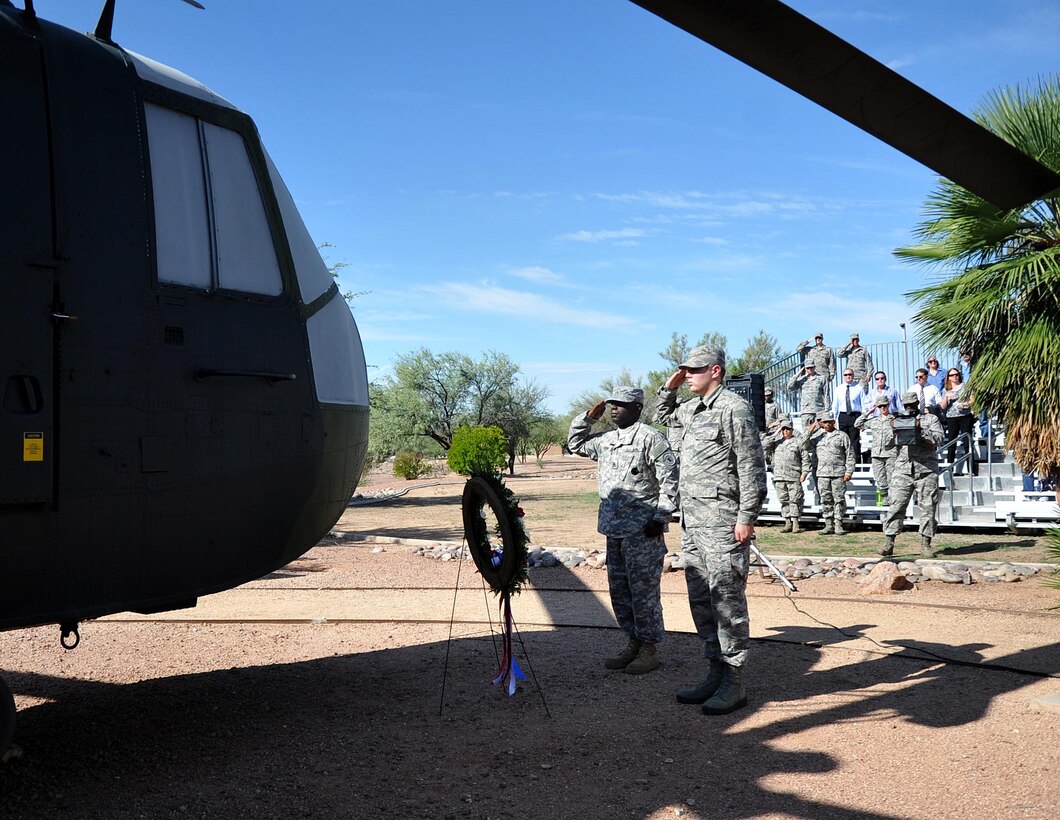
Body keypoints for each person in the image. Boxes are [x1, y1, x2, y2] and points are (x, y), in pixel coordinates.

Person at [655, 346, 766, 715]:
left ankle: (735, 682)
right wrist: (669, 388)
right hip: (693, 523)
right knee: (701, 600)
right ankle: (714, 671)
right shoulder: (688, 410)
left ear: (715, 371)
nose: (687, 374)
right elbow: (662, 418)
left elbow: (750, 466)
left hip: (723, 522)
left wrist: (746, 516)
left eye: (695, 370)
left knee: (726, 600)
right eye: (684, 369)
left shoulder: (734, 407)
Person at [568, 387, 679, 675]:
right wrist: (587, 419)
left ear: (638, 408)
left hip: (642, 530)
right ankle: (632, 642)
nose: (615, 409)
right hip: (613, 529)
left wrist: (661, 515)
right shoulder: (606, 440)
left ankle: (648, 648)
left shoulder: (650, 438)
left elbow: (671, 479)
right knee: (620, 591)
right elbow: (576, 444)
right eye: (612, 404)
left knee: (643, 592)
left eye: (622, 405)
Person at [879, 391, 945, 558]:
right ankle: (889, 543)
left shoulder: (930, 419)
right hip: (903, 470)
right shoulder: (895, 420)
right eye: (906, 406)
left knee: (928, 507)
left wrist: (920, 430)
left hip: (926, 470)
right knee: (896, 506)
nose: (909, 408)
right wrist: (894, 429)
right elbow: (886, 445)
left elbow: (938, 440)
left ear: (918, 405)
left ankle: (926, 544)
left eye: (912, 405)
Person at [800, 411, 855, 535]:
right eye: (825, 422)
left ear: (834, 422)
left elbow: (850, 454)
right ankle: (828, 524)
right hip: (822, 473)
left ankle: (839, 524)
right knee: (825, 499)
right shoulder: (818, 438)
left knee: (839, 499)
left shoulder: (842, 436)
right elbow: (803, 445)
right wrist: (811, 429)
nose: (828, 424)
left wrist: (849, 471)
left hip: (838, 473)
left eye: (830, 422)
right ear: (822, 424)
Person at [855, 394, 896, 505]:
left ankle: (893, 503)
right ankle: (883, 502)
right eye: (880, 406)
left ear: (888, 405)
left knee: (891, 480)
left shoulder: (894, 420)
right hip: (877, 454)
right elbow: (857, 424)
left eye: (885, 405)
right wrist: (869, 412)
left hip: (890, 454)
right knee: (880, 480)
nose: (883, 408)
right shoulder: (874, 420)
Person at [771, 419, 809, 533]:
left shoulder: (798, 442)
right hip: (779, 476)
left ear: (792, 430)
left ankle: (795, 523)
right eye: (783, 429)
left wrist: (804, 473)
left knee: (795, 500)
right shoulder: (776, 442)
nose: (785, 431)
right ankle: (787, 522)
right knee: (783, 500)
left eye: (788, 429)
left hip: (793, 476)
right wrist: (775, 432)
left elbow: (806, 459)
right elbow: (764, 444)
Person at [940, 368, 978, 476]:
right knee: (952, 442)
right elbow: (942, 406)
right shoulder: (946, 389)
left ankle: (971, 469)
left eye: (956, 374)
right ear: (949, 377)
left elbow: (972, 400)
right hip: (951, 417)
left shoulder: (965, 386)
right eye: (952, 375)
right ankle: (950, 468)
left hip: (965, 416)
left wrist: (964, 404)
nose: (954, 377)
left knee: (967, 442)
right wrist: (947, 397)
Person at [832, 367, 866, 463]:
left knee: (854, 441)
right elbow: (835, 406)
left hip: (855, 416)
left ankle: (857, 465)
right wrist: (833, 420)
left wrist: (863, 420)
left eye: (850, 374)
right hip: (843, 416)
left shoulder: (859, 388)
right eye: (846, 375)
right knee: (843, 440)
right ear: (843, 376)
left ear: (853, 376)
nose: (848, 376)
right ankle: (844, 464)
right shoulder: (838, 389)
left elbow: (864, 405)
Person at [787, 362, 827, 431]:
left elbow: (826, 394)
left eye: (811, 367)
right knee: (807, 433)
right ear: (805, 369)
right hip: (806, 411)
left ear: (814, 367)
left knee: (821, 433)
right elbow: (790, 387)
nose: (809, 369)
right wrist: (798, 374)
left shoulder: (821, 378)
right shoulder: (802, 379)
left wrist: (827, 409)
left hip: (819, 410)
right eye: (807, 368)